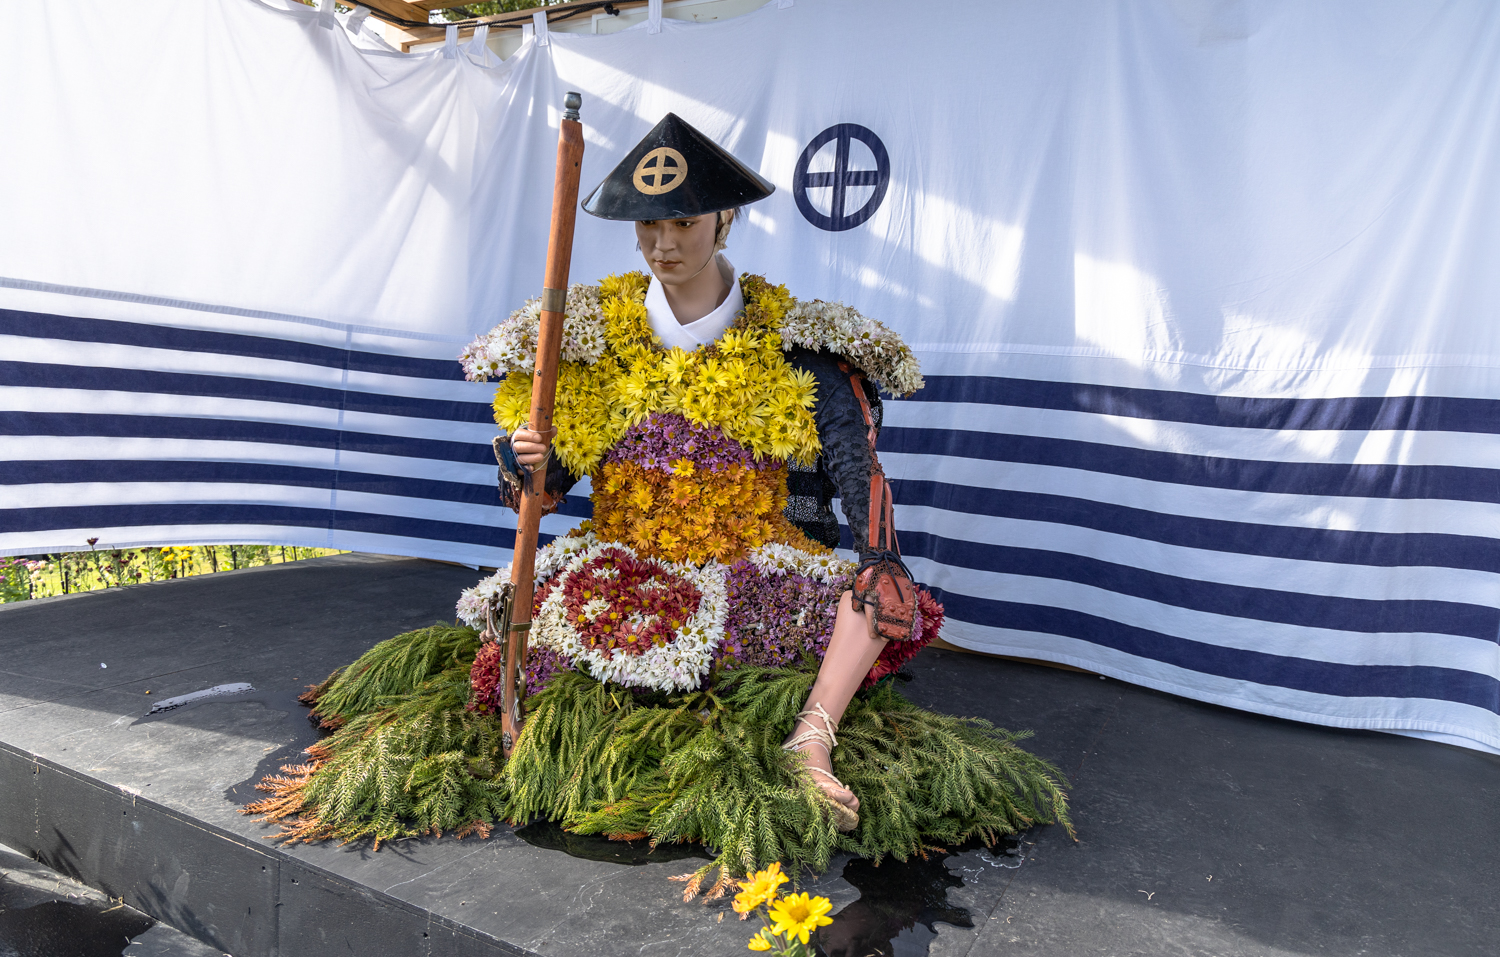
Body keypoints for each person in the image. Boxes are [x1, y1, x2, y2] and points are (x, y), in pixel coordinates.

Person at [464, 113, 936, 833]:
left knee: (886, 593)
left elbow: (859, 481)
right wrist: (525, 457)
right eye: (647, 224)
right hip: (619, 570)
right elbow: (541, 491)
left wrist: (880, 564)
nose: (663, 243)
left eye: (682, 222)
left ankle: (810, 738)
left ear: (725, 219)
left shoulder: (796, 344)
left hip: (755, 569)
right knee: (539, 657)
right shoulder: (593, 336)